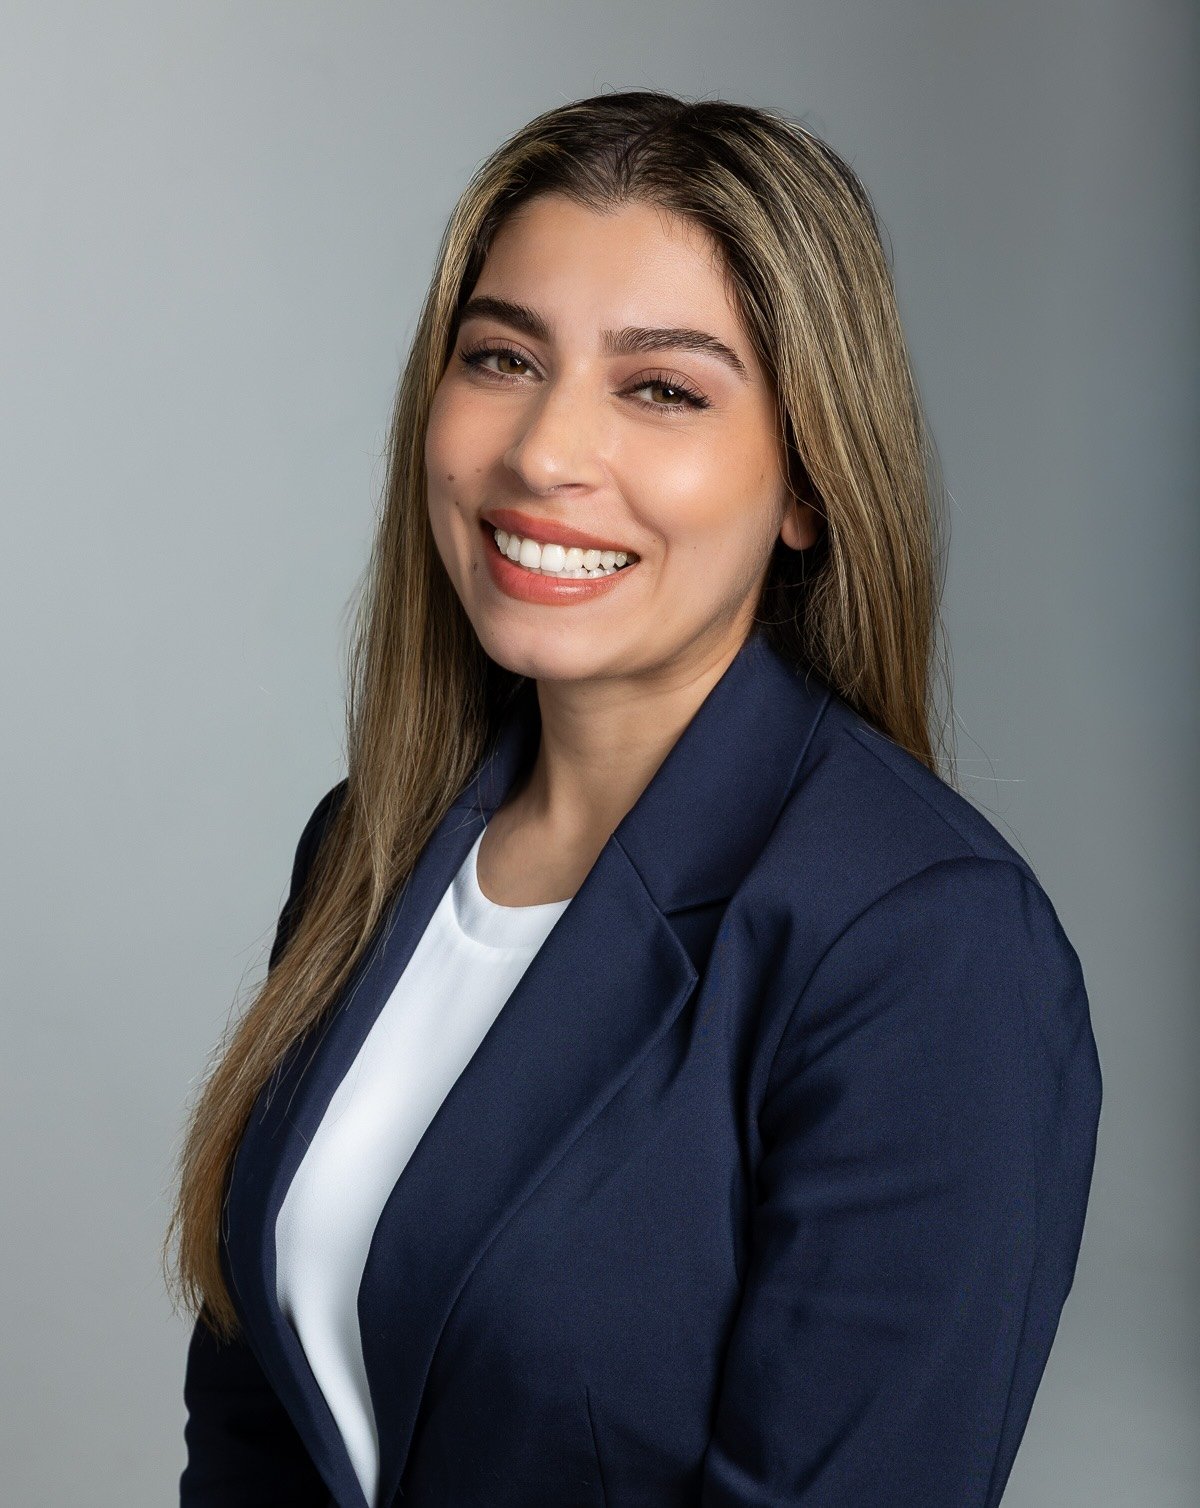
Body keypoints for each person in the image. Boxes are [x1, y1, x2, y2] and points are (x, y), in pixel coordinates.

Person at [165, 89, 1103, 1507]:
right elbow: (256, 1430)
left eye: (662, 389)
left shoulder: (926, 949)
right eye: (502, 358)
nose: (544, 453)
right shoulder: (369, 843)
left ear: (808, 482)